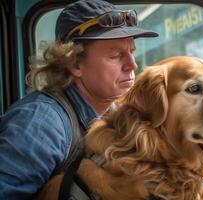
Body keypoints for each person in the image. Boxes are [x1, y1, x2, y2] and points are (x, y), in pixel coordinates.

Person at [0, 0, 158, 199]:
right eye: (116, 55)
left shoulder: (117, 113)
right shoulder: (41, 123)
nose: (132, 64)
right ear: (75, 64)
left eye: (131, 52)